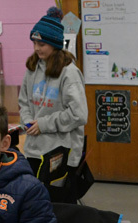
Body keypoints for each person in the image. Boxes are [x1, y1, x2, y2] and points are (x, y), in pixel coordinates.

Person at [18, 7, 87, 203]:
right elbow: (23, 101)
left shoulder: (69, 73)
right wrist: (28, 121)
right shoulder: (32, 68)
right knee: (35, 202)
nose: (37, 48)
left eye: (42, 43)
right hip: (34, 148)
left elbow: (79, 114)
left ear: (55, 43)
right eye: (34, 43)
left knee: (59, 204)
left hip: (60, 151)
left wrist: (44, 124)